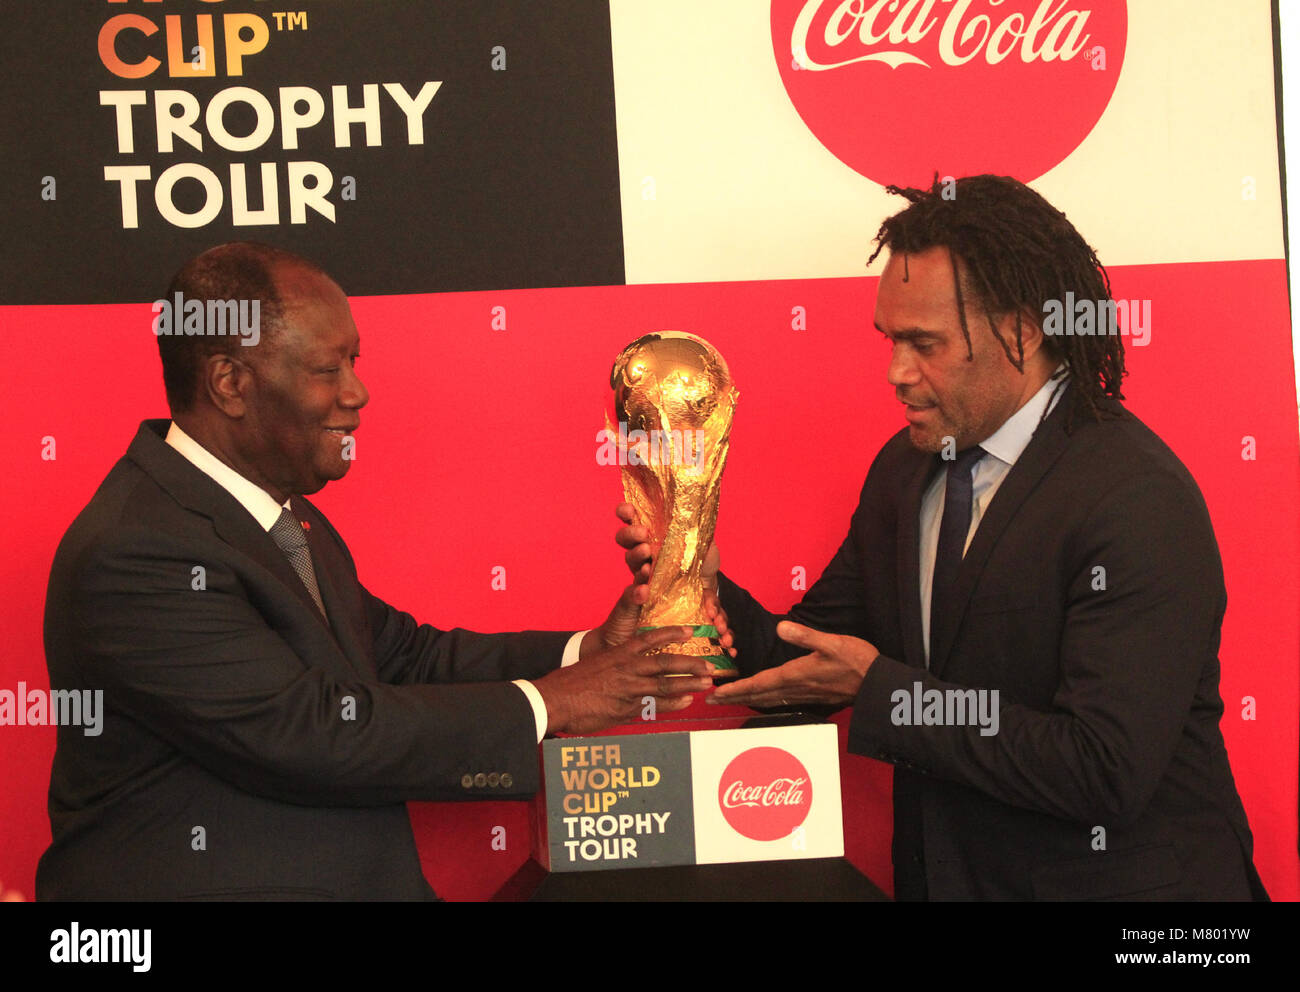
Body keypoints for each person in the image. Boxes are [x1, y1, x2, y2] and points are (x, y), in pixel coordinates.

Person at [619, 175, 1267, 901]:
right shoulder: (906, 471)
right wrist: (697, 577)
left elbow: (1102, 768)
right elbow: (807, 659)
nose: (895, 373)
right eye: (890, 340)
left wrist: (890, 697)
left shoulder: (1135, 498)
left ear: (1020, 331)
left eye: (923, 343)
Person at [37, 242, 714, 901]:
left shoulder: (280, 516)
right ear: (231, 383)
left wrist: (587, 651)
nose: (359, 393)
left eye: (353, 363)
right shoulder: (137, 550)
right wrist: (557, 699)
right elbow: (310, 733)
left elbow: (400, 657)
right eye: (329, 370)